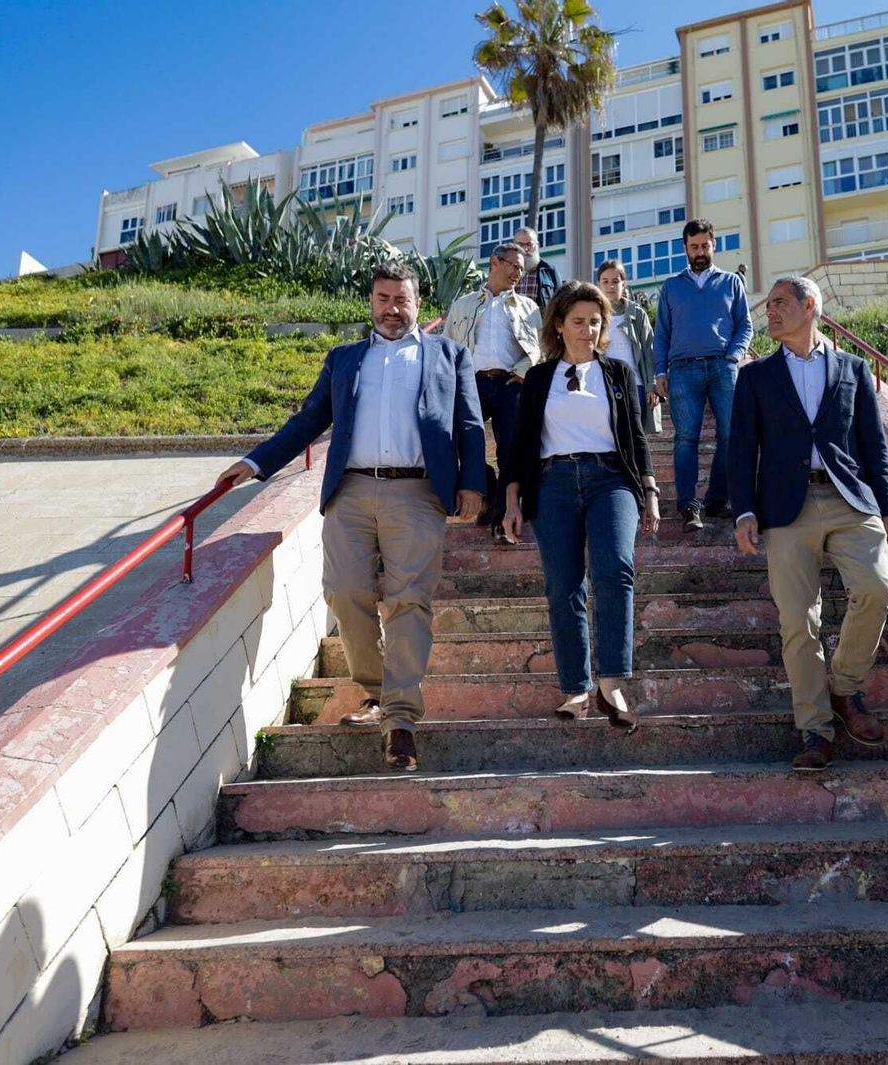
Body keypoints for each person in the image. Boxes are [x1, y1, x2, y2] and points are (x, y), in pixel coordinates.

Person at [216, 262, 484, 773]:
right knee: (343, 591)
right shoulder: (344, 358)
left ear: (418, 303)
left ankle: (400, 721)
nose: (392, 309)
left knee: (409, 600)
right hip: (352, 490)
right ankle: (376, 691)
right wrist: (255, 462)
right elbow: (310, 419)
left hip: (417, 491)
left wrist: (472, 483)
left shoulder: (449, 355)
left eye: (401, 299)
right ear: (371, 302)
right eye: (383, 299)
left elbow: (468, 423)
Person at [728, 276, 888, 773]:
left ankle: (844, 688)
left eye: (780, 303)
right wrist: (745, 511)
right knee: (798, 620)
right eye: (769, 305)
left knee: (876, 588)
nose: (770, 312)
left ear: (810, 306)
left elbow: (874, 444)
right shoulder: (755, 376)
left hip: (850, 499)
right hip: (785, 507)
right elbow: (740, 449)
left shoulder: (853, 368)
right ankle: (815, 729)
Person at [503, 281, 659, 729]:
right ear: (558, 324)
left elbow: (636, 437)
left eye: (595, 321)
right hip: (552, 483)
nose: (588, 330)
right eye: (578, 321)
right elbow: (519, 445)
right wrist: (511, 500)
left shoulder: (618, 373)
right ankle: (576, 687)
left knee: (615, 569)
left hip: (611, 479)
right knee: (564, 584)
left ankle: (611, 683)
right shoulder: (538, 378)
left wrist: (650, 492)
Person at [651, 219, 753, 533]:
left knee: (730, 435)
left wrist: (733, 356)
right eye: (694, 246)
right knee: (685, 439)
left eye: (704, 246)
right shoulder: (671, 286)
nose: (699, 252)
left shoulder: (731, 282)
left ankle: (717, 500)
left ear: (713, 245)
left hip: (723, 367)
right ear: (685, 248)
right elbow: (662, 333)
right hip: (682, 370)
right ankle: (688, 506)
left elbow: (745, 325)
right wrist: (660, 371)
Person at [442, 242, 541, 543]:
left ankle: (502, 519)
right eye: (514, 266)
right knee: (456, 441)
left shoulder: (528, 307)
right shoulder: (463, 304)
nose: (518, 273)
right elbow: (446, 347)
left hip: (511, 383)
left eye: (522, 269)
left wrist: (523, 371)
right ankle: (488, 485)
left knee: (510, 450)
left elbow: (542, 346)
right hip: (470, 383)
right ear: (495, 262)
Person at [594, 258, 661, 436]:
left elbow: (649, 351)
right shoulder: (593, 315)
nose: (610, 286)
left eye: (615, 281)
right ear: (598, 284)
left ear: (624, 283)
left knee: (635, 437)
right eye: (605, 281)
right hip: (603, 385)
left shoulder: (637, 313)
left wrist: (651, 385)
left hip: (634, 385)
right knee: (607, 437)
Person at [511, 226, 559, 307]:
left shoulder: (549, 270)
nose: (525, 249)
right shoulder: (506, 271)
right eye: (520, 245)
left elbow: (560, 302)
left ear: (537, 245)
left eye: (529, 244)